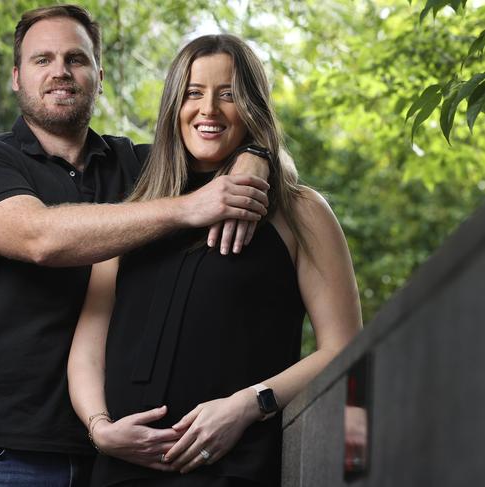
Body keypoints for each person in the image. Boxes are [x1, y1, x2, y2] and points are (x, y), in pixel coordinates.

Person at [0, 5, 271, 487]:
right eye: (42, 59)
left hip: (117, 453)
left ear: (99, 75)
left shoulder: (138, 167)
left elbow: (218, 136)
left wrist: (257, 158)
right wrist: (187, 208)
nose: (60, 71)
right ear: (16, 77)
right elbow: (40, 238)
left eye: (76, 59)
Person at [67, 34, 362, 486]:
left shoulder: (300, 212)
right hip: (122, 472)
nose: (208, 109)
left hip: (234, 469)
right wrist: (100, 428)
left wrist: (249, 404)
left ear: (253, 106)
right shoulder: (135, 213)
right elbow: (89, 345)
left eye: (228, 94)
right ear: (173, 107)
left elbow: (343, 348)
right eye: (193, 94)